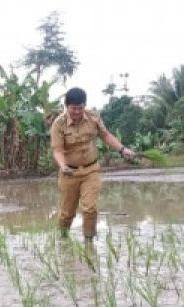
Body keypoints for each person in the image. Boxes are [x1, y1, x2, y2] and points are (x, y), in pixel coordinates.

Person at [49, 87, 136, 240]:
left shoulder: (93, 117)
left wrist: (122, 149)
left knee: (90, 208)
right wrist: (63, 166)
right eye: (73, 108)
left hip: (91, 170)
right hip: (69, 173)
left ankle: (89, 242)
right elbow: (57, 150)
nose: (77, 112)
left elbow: (106, 136)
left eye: (80, 108)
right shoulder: (59, 124)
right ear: (66, 106)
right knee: (67, 213)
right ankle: (62, 240)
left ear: (85, 105)